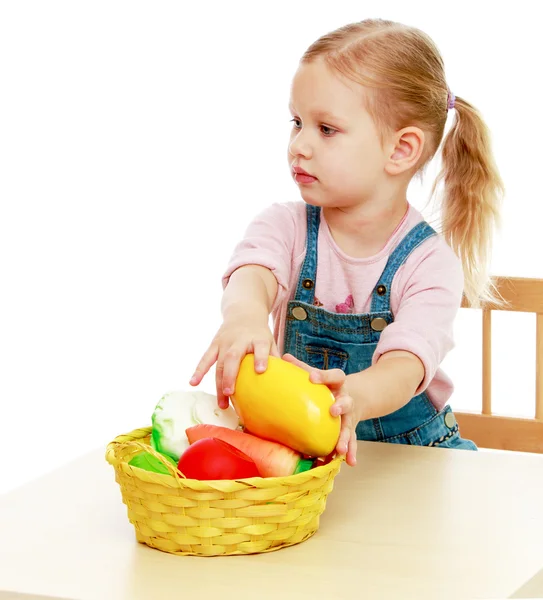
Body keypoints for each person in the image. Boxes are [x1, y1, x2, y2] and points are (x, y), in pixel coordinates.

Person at [189, 18, 504, 467]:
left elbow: (404, 366)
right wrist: (244, 316)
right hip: (312, 458)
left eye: (326, 129)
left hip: (410, 461)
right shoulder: (286, 226)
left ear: (401, 150)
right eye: (296, 122)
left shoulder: (430, 263)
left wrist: (353, 396)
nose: (299, 145)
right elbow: (253, 274)